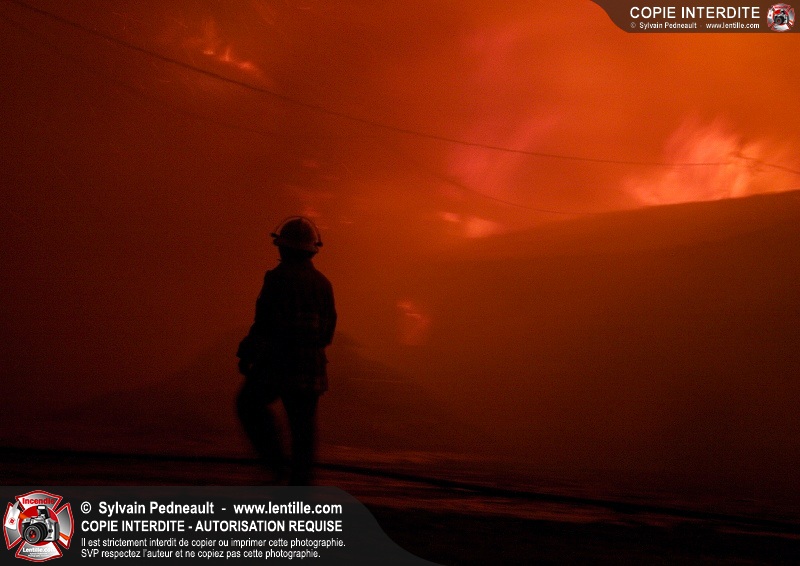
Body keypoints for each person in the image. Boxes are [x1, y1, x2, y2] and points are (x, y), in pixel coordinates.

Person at [236, 216, 336, 485]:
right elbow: (328, 331)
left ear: (283, 248)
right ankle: (301, 489)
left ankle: (275, 464)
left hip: (278, 364)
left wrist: (247, 354)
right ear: (312, 250)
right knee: (303, 430)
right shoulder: (323, 284)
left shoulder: (278, 279)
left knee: (248, 404)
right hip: (311, 370)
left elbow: (264, 324)